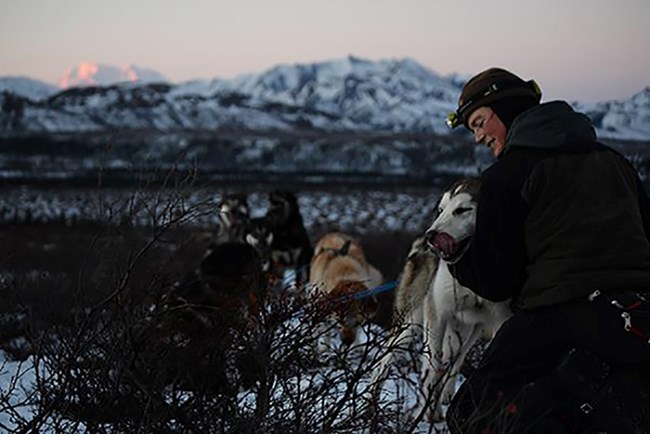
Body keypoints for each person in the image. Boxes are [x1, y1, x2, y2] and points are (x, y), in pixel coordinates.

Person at [442, 67, 650, 433]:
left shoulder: (506, 177)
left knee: (473, 415)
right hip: (639, 314)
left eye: (478, 122)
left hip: (559, 316)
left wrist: (456, 255)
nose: (477, 138)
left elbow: (495, 280)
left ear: (502, 111)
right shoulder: (616, 162)